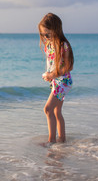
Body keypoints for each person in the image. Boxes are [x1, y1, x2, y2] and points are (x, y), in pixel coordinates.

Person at [38, 13, 74, 144]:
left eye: (47, 34)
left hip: (63, 81)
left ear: (56, 29)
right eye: (43, 35)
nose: (45, 37)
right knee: (56, 111)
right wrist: (49, 75)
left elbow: (69, 67)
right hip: (56, 81)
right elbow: (53, 63)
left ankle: (51, 140)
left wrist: (52, 75)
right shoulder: (49, 44)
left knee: (47, 109)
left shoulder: (64, 45)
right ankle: (62, 139)